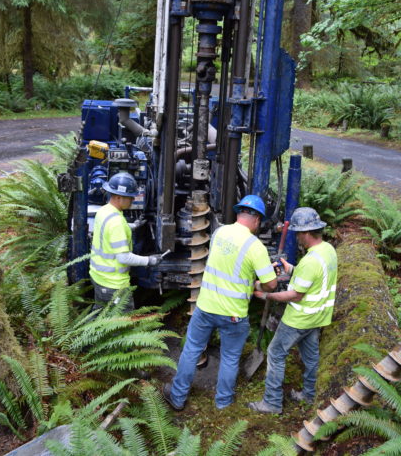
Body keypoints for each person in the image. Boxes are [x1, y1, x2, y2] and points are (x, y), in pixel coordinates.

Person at [163, 195, 278, 410]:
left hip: (205, 306)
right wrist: (257, 283)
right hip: (233, 314)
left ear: (238, 214)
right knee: (230, 358)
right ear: (256, 220)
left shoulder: (219, 233)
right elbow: (271, 284)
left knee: (191, 350)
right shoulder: (256, 247)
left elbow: (226, 263)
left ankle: (177, 397)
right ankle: (223, 403)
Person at [247, 207, 337, 414]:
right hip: (318, 316)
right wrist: (291, 269)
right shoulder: (328, 251)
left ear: (306, 233)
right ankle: (309, 394)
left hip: (299, 319)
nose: (297, 237)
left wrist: (265, 295)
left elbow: (295, 295)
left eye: (298, 233)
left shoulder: (309, 261)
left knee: (275, 353)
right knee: (311, 356)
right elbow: (314, 279)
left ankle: (271, 403)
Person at [90, 172, 160, 311]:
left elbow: (108, 231)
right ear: (118, 197)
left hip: (99, 277)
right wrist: (149, 260)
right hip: (113, 284)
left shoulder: (104, 211)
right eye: (130, 198)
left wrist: (133, 226)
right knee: (122, 325)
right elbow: (124, 257)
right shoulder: (117, 223)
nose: (133, 200)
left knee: (100, 315)